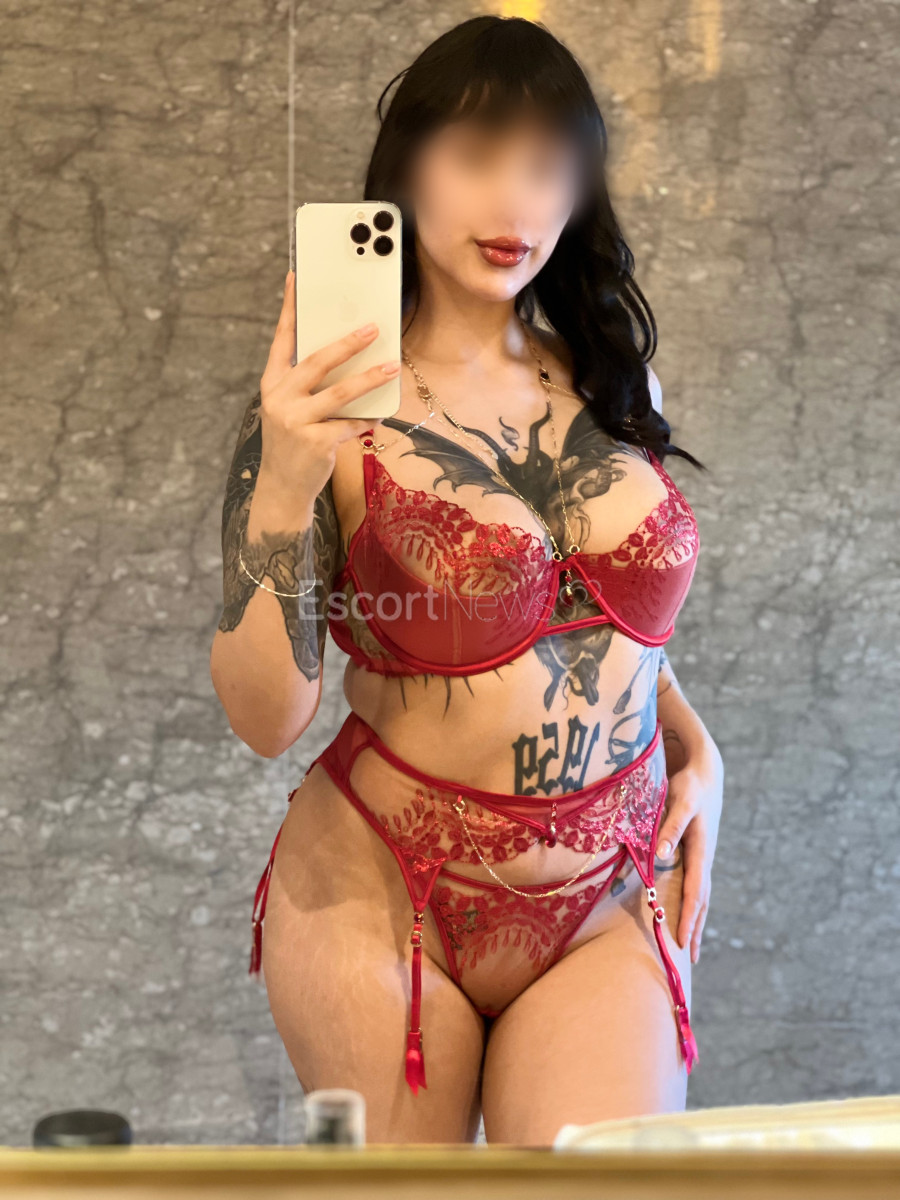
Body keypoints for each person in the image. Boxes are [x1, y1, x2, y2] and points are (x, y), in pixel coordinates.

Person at [209, 15, 724, 1146]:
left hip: (607, 891)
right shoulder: (323, 408)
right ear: (408, 168)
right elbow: (264, 718)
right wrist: (285, 486)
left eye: (548, 165)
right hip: (382, 889)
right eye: (480, 156)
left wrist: (699, 744)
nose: (516, 202)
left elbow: (616, 628)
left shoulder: (610, 373)